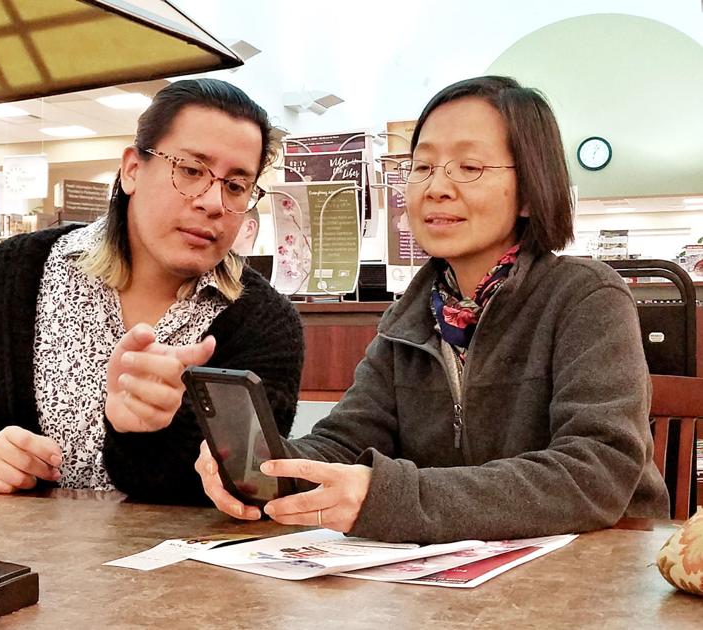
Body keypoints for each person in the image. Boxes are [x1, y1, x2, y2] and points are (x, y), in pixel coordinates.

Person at [196, 76, 669, 542]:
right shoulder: (412, 318)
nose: (436, 187)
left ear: (529, 190)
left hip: (596, 566)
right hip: (456, 574)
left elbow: (596, 470)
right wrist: (269, 467)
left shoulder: (586, 297)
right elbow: (345, 440)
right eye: (421, 166)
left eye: (469, 167)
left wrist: (397, 497)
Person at [0, 79, 304, 503]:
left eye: (235, 186)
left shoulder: (264, 324)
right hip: (6, 545)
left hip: (176, 550)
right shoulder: (12, 274)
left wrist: (142, 433)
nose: (213, 202)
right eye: (191, 170)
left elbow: (250, 489)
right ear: (132, 170)